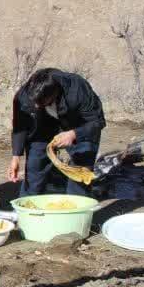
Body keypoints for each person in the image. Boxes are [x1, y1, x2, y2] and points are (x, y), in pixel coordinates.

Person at [8, 68, 105, 197]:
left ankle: (75, 207)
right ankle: (28, 204)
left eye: (40, 102)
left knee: (80, 169)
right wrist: (16, 157)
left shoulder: (77, 89)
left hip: (77, 124)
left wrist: (73, 133)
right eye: (34, 102)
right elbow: (20, 126)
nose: (36, 106)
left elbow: (97, 122)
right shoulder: (24, 96)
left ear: (54, 93)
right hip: (45, 123)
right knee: (35, 164)